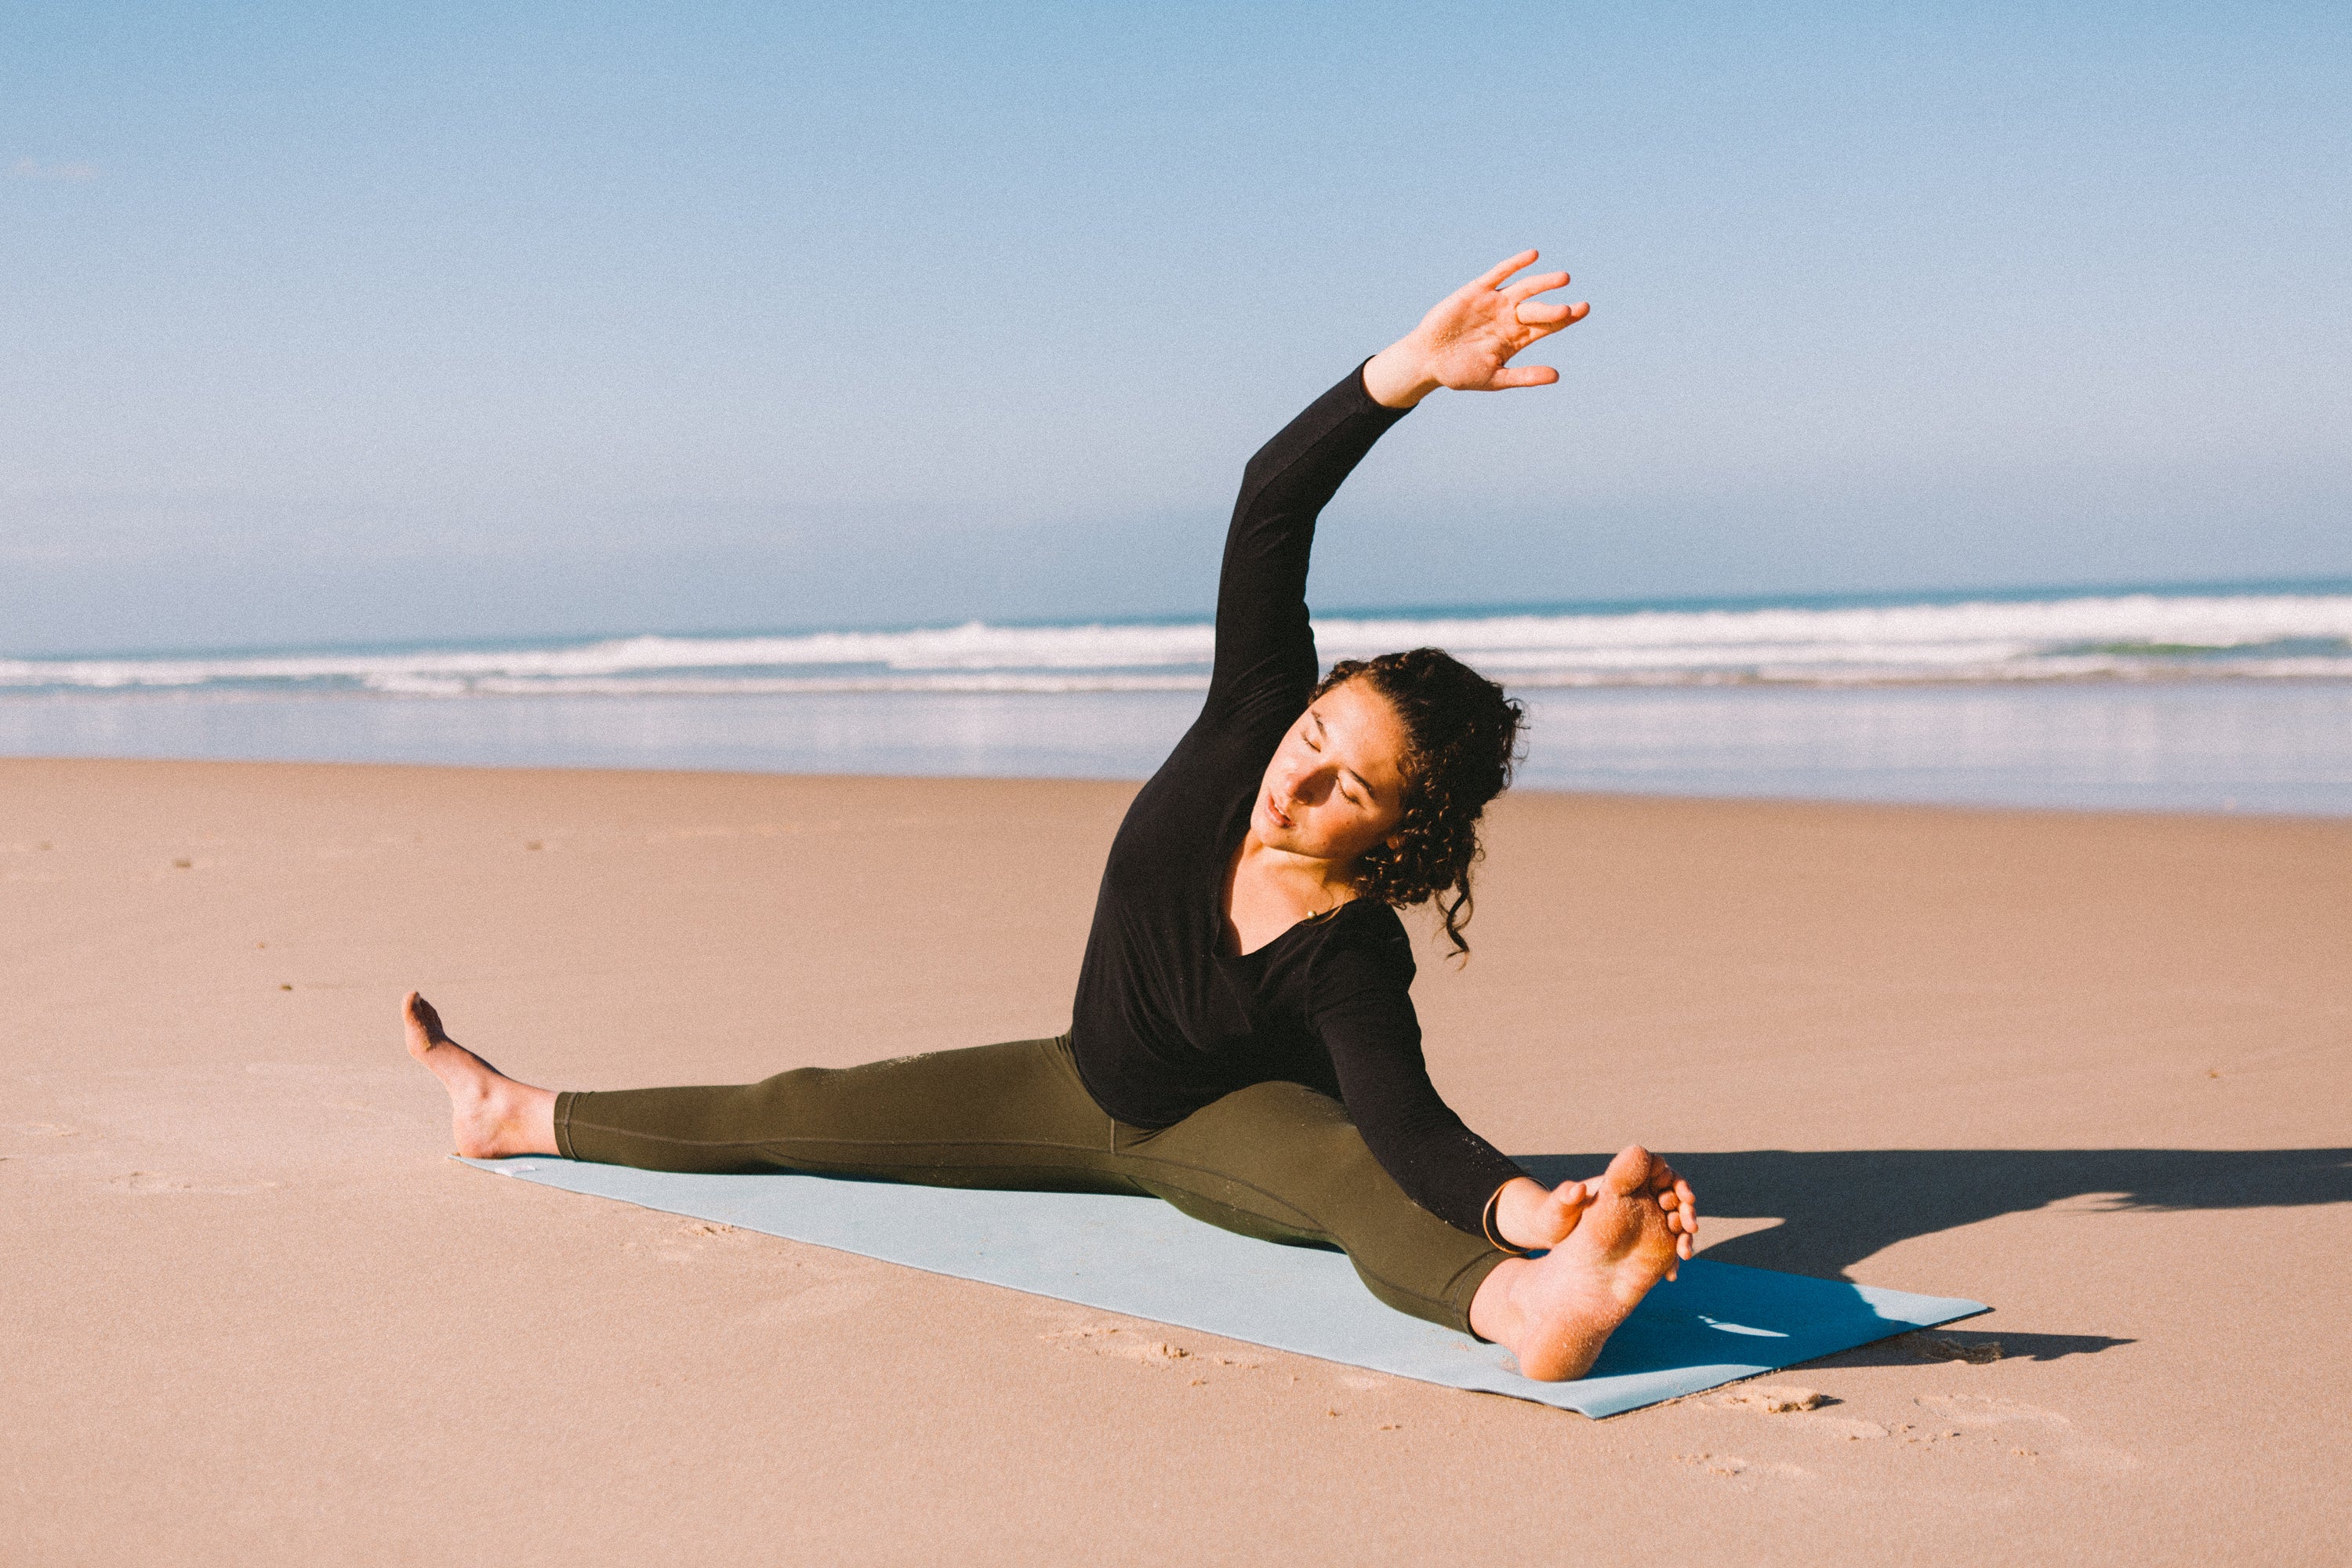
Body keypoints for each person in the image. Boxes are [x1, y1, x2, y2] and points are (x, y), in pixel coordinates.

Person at [404, 249, 1700, 1383]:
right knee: (793, 1109)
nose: (1295, 781)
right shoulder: (1249, 715)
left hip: (1220, 1126)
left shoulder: (1349, 952)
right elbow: (1271, 501)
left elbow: (1407, 1128)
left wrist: (1529, 1212)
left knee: (1344, 1174)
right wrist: (1406, 371)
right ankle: (512, 1115)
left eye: (1345, 789)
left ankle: (1531, 1308)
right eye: (1315, 739)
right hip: (1073, 1081)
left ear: (1397, 835)